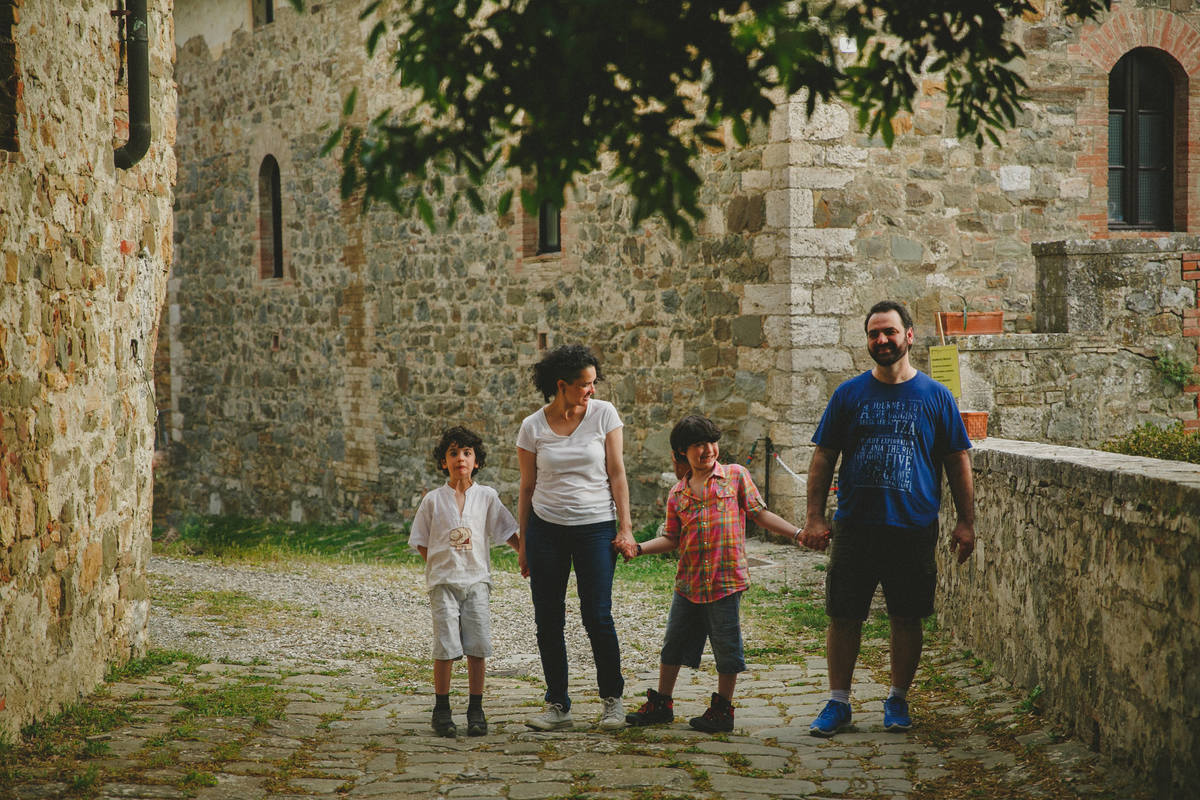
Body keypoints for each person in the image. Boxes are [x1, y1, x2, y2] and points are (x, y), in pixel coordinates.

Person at [799, 300, 976, 737]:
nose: (882, 340)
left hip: (913, 528)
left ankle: (897, 699)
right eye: (874, 334)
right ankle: (838, 703)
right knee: (843, 615)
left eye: (890, 332)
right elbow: (823, 456)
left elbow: (958, 460)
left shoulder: (936, 397)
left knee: (906, 616)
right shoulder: (849, 395)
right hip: (856, 525)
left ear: (909, 336)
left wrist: (966, 521)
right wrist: (815, 517)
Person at [626, 414, 803, 733]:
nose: (706, 450)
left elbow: (760, 514)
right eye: (696, 445)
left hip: (726, 581)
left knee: (726, 646)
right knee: (673, 645)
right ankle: (662, 703)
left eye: (710, 442)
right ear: (682, 452)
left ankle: (722, 710)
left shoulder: (735, 476)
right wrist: (638, 548)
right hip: (689, 583)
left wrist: (798, 533)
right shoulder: (677, 494)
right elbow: (671, 539)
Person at [516, 344, 637, 731]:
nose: (592, 390)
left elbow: (617, 474)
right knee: (548, 619)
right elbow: (526, 487)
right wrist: (523, 542)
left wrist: (626, 527)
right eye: (584, 384)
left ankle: (612, 701)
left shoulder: (604, 414)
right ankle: (558, 704)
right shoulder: (532, 426)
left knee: (597, 615)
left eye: (593, 383)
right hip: (546, 531)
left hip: (596, 528)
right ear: (561, 386)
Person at [409, 426, 519, 738]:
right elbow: (420, 540)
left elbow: (507, 530)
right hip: (443, 583)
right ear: (444, 462)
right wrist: (440, 564)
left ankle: (476, 707)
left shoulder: (487, 497)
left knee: (478, 644)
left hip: (477, 581)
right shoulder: (433, 500)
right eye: (454, 453)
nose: (461, 459)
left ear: (477, 462)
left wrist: (525, 555)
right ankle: (441, 708)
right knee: (445, 644)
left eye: (467, 453)